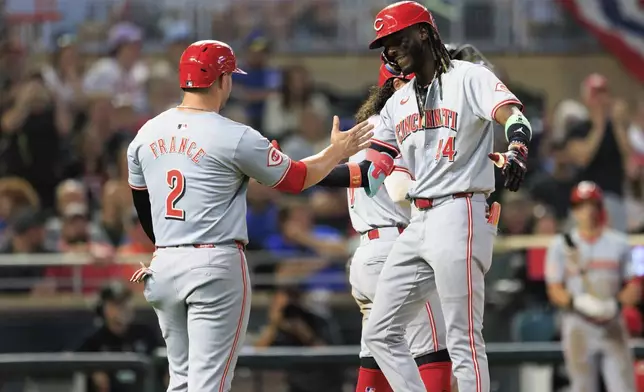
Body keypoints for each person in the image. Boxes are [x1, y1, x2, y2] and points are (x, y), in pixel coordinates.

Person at [126, 40, 373, 392]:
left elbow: (141, 202)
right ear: (222, 79)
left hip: (164, 265)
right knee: (210, 384)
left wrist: (166, 247)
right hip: (214, 262)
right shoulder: (234, 135)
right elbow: (298, 179)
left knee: (179, 383)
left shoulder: (145, 134)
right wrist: (338, 151)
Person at [310, 2, 530, 390]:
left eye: (395, 39)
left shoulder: (469, 76)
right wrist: (313, 173)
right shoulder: (397, 102)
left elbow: (512, 114)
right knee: (380, 333)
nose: (390, 50)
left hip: (459, 210)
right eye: (385, 45)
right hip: (419, 222)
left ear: (425, 33)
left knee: (463, 340)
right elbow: (370, 171)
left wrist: (516, 147)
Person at [345, 61, 453, 392]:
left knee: (376, 355)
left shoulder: (363, 128)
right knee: (431, 350)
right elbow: (402, 190)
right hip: (397, 248)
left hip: (367, 253)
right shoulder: (400, 127)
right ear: (396, 86)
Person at [545, 181, 639, 392]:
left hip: (612, 323)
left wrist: (614, 306)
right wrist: (579, 302)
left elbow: (634, 285)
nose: (587, 211)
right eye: (581, 206)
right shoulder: (562, 245)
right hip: (578, 324)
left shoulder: (619, 243)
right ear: (574, 210)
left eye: (592, 205)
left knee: (624, 387)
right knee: (582, 388)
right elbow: (554, 290)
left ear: (600, 207)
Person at [77, 281, 159, 392]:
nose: (123, 308)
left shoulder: (146, 334)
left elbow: (163, 361)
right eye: (116, 304)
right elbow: (77, 364)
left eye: (126, 303)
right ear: (104, 308)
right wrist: (93, 372)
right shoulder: (93, 341)